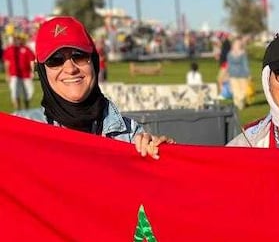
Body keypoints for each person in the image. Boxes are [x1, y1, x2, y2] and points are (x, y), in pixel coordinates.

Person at [15, 16, 171, 158]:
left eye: (79, 55)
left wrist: (164, 154)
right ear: (42, 71)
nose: (70, 69)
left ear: (95, 62)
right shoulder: (19, 132)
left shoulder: (130, 135)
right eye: (55, 60)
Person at [3, 33, 35, 110]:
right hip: (14, 74)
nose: (18, 40)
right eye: (16, 38)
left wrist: (32, 72)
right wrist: (7, 74)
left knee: (28, 92)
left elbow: (31, 61)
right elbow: (7, 63)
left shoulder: (27, 49)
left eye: (19, 38)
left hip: (26, 75)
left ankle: (27, 108)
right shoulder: (10, 49)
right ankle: (18, 110)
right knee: (15, 92)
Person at [226, 37, 251, 110]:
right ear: (233, 44)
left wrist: (248, 74)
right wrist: (228, 74)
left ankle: (240, 103)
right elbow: (229, 65)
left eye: (239, 44)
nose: (237, 45)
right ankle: (238, 104)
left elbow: (245, 64)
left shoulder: (243, 53)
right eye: (236, 44)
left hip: (242, 75)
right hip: (233, 75)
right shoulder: (229, 54)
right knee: (235, 90)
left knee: (243, 91)